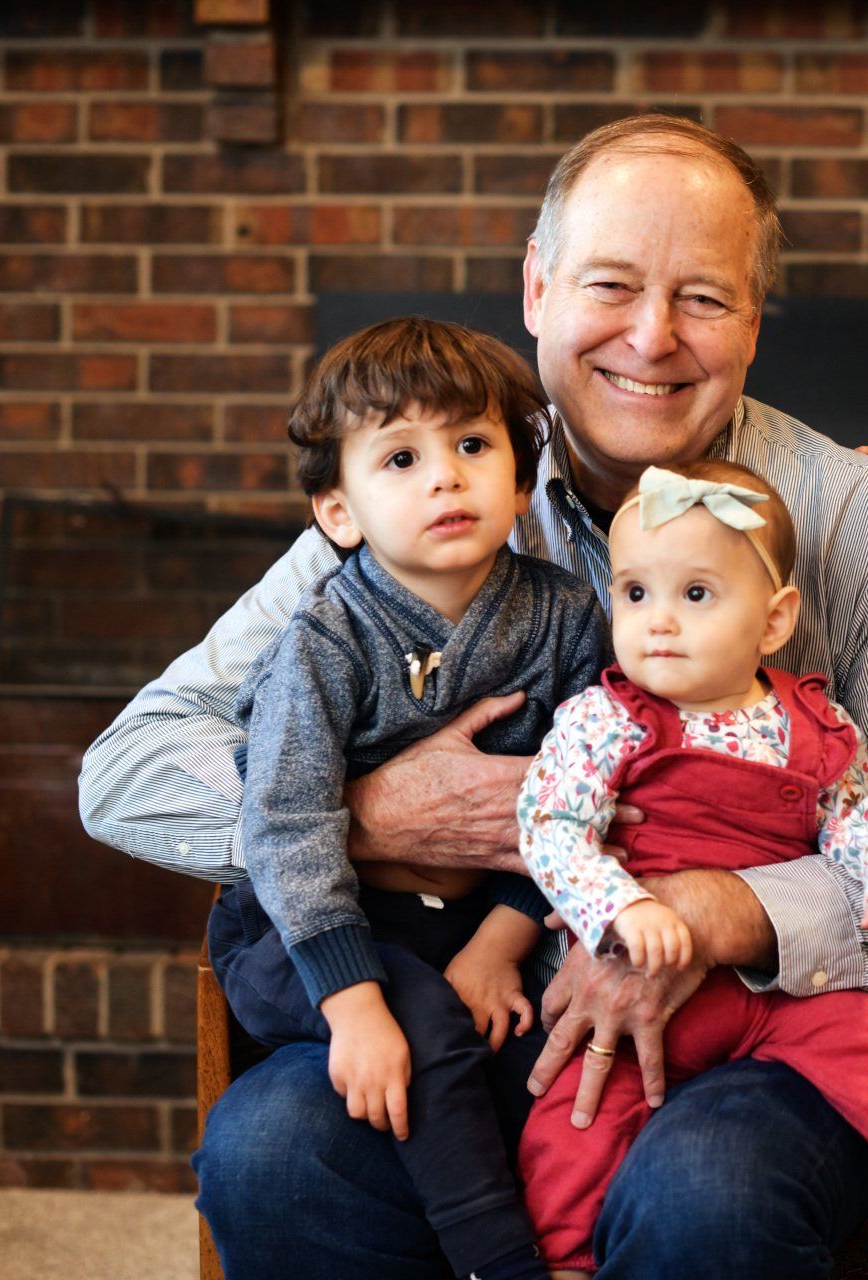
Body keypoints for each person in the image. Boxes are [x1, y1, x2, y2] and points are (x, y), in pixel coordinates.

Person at [77, 114, 868, 1279]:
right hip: (478, 1000)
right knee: (274, 1153)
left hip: (760, 1029)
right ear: (536, 288)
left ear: (754, 325)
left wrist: (700, 913)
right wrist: (368, 815)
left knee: (704, 1193)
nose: (652, 337)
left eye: (703, 299)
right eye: (611, 285)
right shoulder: (430, 482)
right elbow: (129, 769)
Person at [514, 460, 868, 1275]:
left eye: (695, 594)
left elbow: (858, 809)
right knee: (573, 1122)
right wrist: (619, 907)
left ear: (775, 620)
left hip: (779, 991)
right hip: (638, 1005)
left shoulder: (808, 720)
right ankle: (564, 1263)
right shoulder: (605, 719)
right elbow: (551, 826)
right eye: (635, 593)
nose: (658, 621)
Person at [212, 316, 606, 1280]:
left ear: (521, 481)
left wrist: (498, 945)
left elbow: (580, 803)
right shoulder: (325, 639)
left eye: (472, 446)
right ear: (339, 512)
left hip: (468, 932)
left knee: (531, 1058)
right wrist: (353, 1006)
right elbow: (286, 824)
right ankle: (498, 1261)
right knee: (425, 1027)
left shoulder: (563, 618)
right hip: (301, 936)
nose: (444, 478)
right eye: (400, 458)